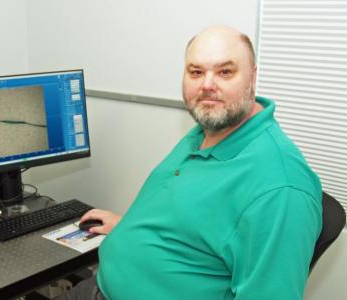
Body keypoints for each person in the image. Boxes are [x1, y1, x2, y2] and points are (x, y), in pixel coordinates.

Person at [57, 25, 322, 300]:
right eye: (196, 72)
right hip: (99, 286)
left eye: (225, 72)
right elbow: (190, 217)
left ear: (253, 77)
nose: (207, 85)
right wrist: (128, 226)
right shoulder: (209, 130)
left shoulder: (281, 189)